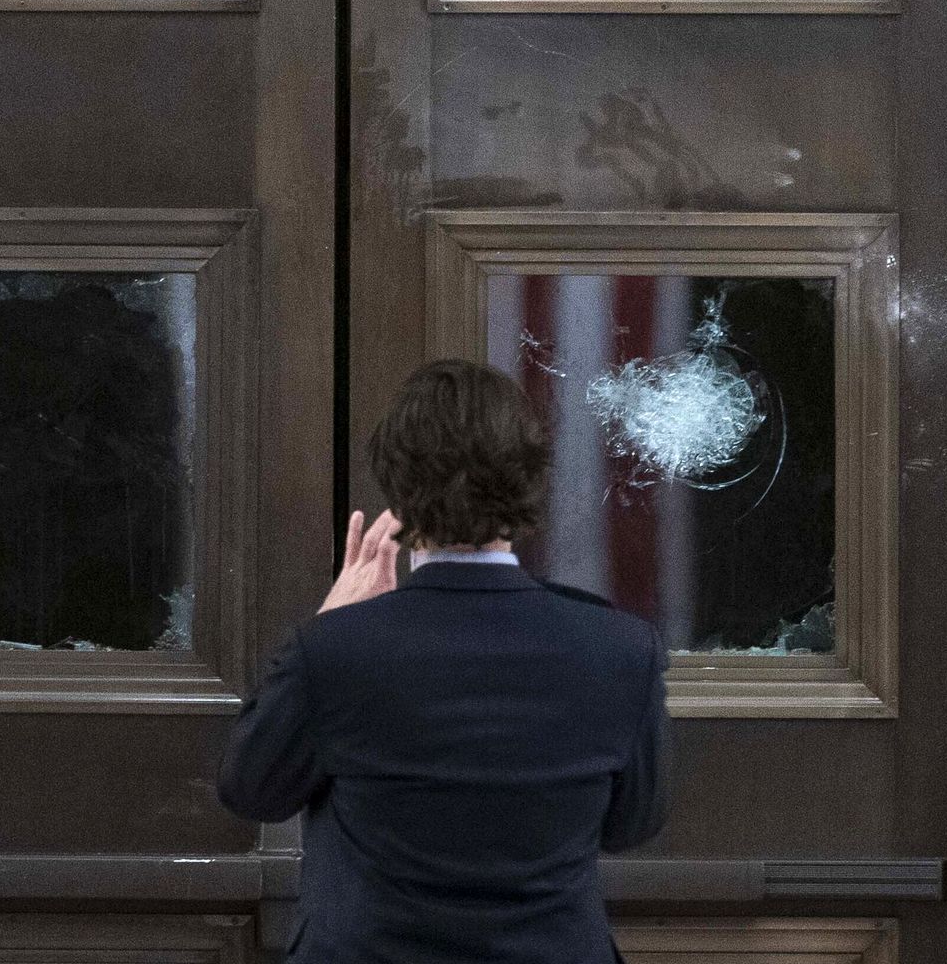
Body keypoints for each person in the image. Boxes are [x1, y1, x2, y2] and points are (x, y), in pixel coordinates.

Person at [217, 359, 672, 963]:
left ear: (399, 493)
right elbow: (631, 827)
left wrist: (331, 628)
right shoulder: (621, 650)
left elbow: (253, 793)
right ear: (529, 482)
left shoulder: (331, 653)